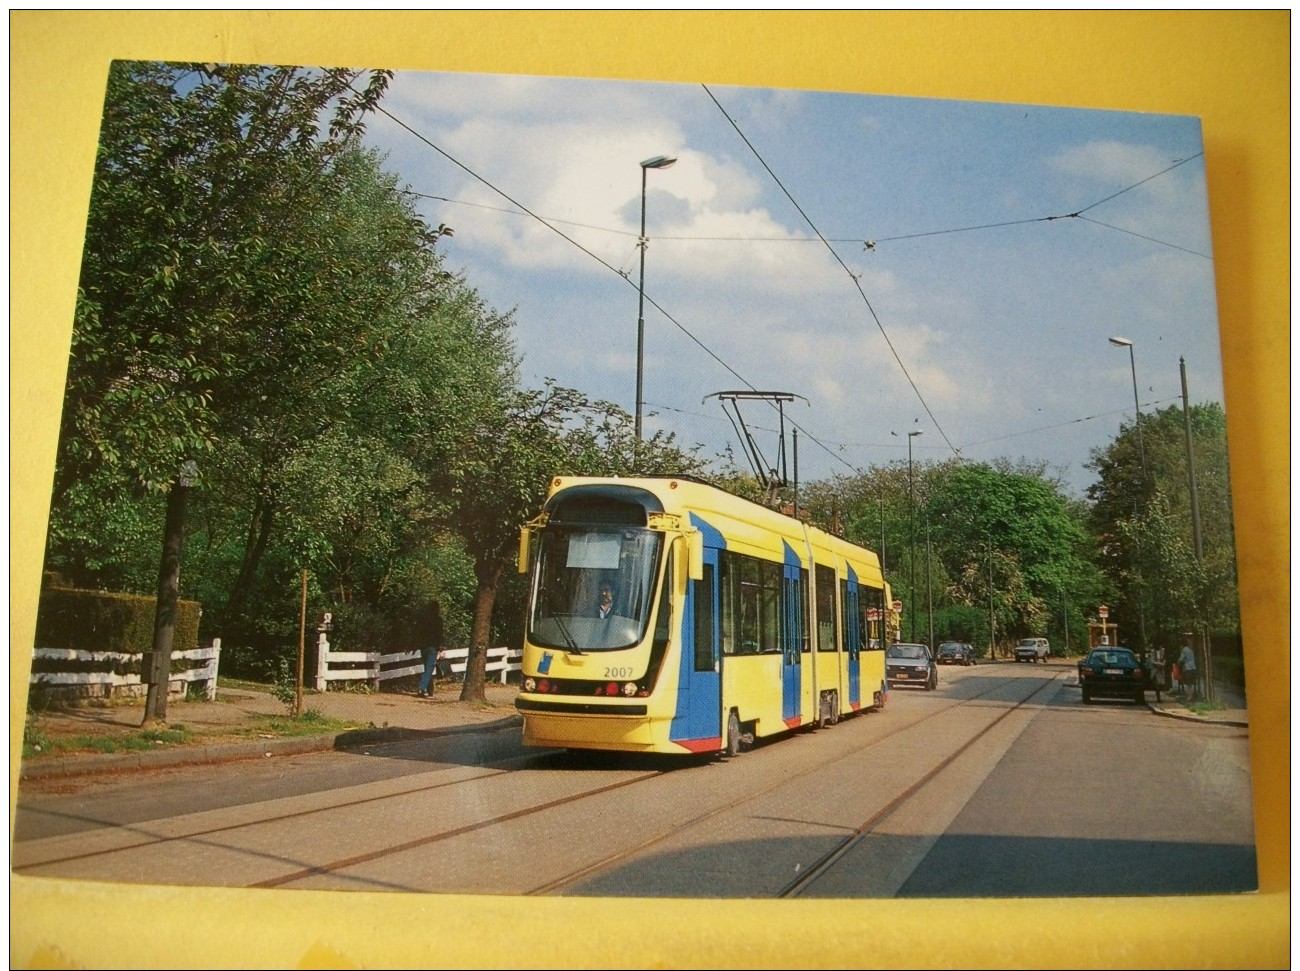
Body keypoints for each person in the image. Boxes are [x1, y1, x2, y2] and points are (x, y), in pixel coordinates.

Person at [416, 600, 444, 697]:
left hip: (423, 647)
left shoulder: (423, 620)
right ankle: (421, 687)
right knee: (429, 669)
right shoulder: (438, 620)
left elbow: (418, 633)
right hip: (433, 647)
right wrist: (441, 647)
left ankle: (430, 690)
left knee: (427, 668)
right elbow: (440, 634)